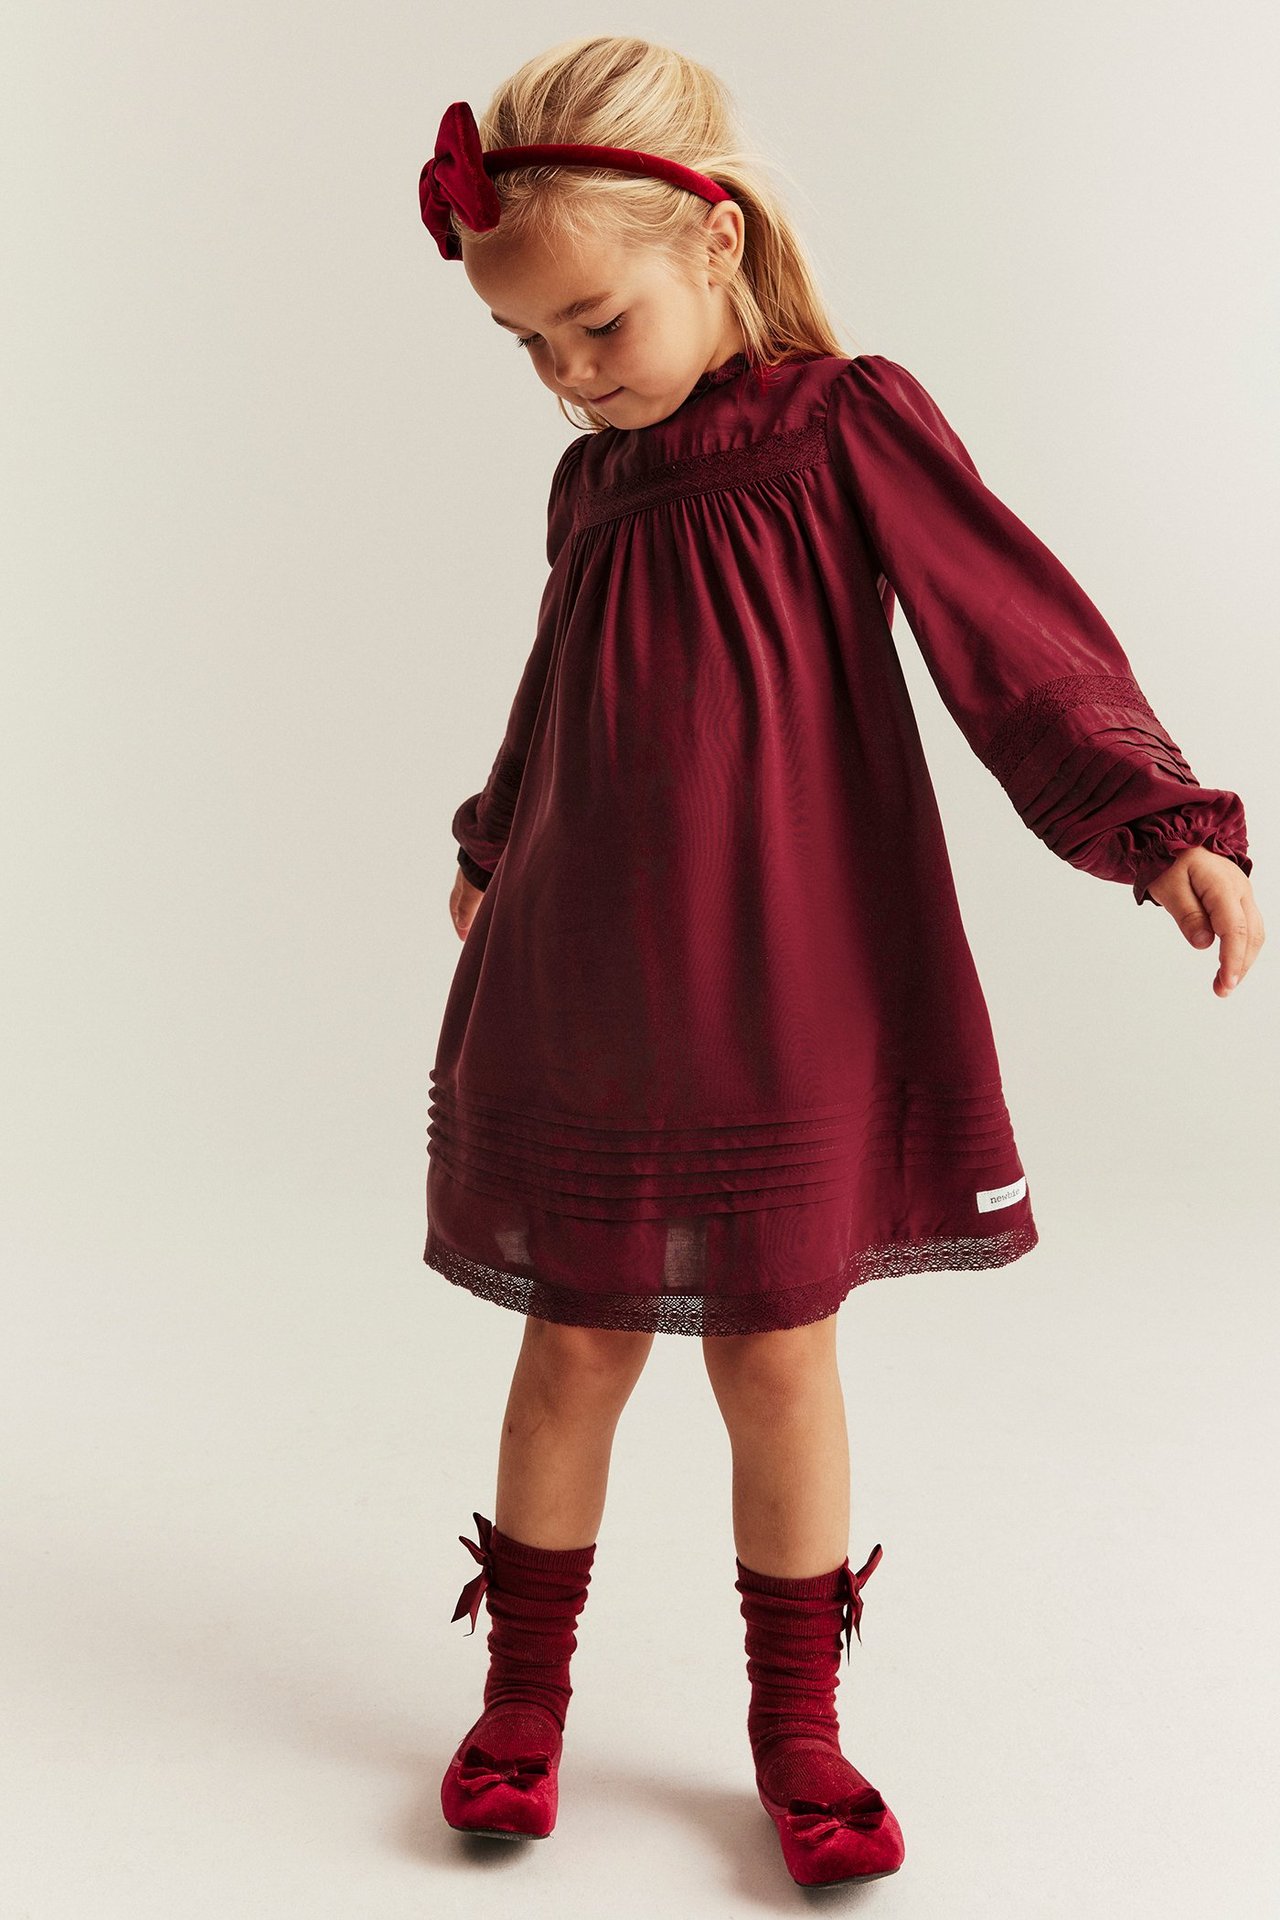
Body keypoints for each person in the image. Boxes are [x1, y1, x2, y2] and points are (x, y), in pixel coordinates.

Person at [415, 36, 1263, 1889]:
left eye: (595, 325)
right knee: (574, 1343)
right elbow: (555, 697)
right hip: (595, 976)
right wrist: (495, 847)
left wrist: (1160, 825)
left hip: (782, 980)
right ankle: (524, 1700)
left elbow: (1010, 636)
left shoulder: (840, 424)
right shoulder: (596, 493)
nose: (567, 376)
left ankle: (796, 1722)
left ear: (713, 247)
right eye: (532, 349)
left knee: (778, 1355)